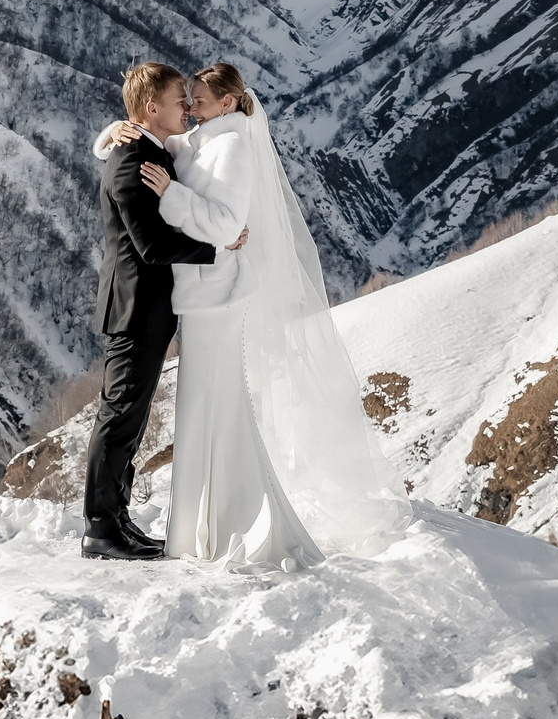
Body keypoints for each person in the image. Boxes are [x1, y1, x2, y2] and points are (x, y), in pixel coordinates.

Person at [93, 62, 405, 568]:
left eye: (196, 98)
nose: (188, 106)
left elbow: (220, 219)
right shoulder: (187, 143)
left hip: (208, 299)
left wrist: (177, 198)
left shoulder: (227, 145)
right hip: (170, 303)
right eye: (183, 99)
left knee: (192, 409)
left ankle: (205, 521)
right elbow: (147, 163)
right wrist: (113, 131)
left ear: (228, 103)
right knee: (159, 413)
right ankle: (133, 527)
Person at [81, 62, 220, 561]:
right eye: (180, 98)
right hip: (136, 307)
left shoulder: (148, 148)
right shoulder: (133, 159)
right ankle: (100, 529)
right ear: (151, 108)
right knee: (119, 416)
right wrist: (218, 248)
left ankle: (116, 518)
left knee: (132, 418)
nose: (187, 106)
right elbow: (152, 246)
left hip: (147, 308)